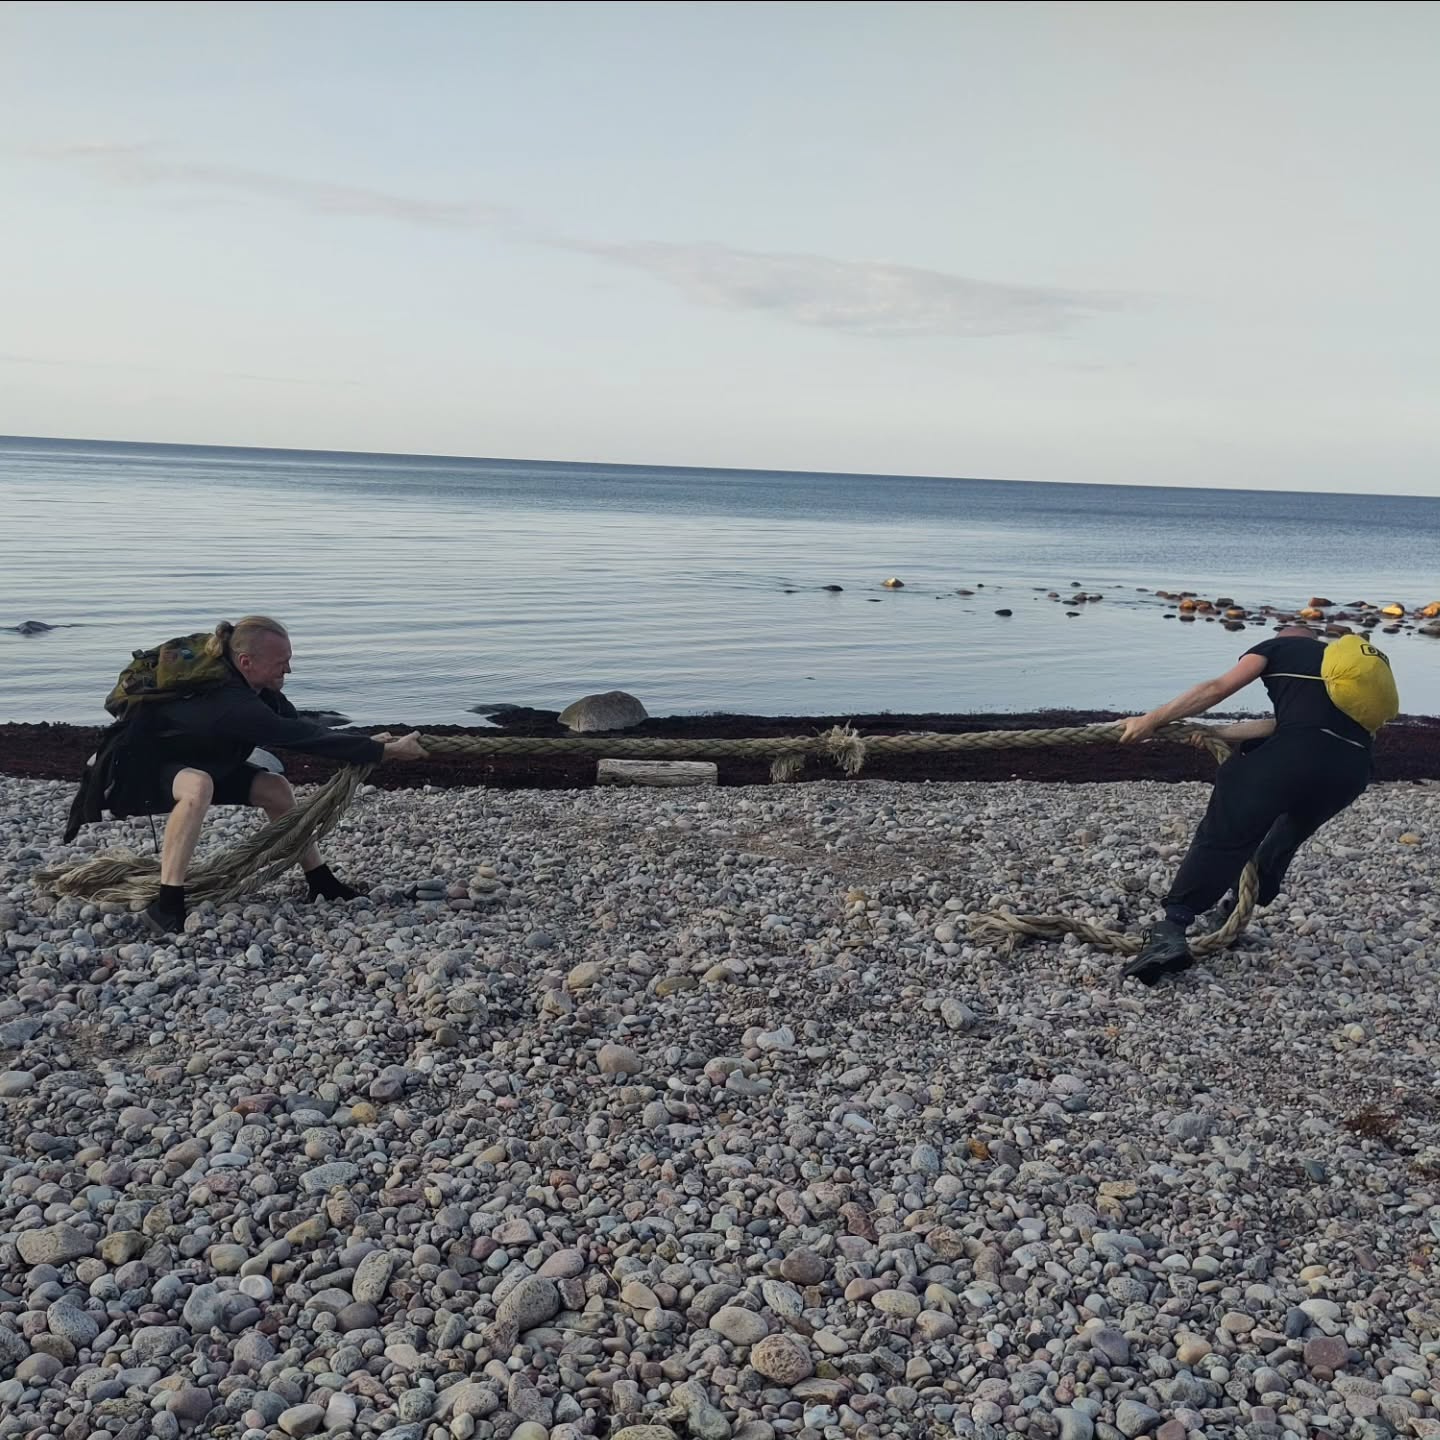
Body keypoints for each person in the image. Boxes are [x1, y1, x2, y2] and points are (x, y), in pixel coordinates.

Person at [108, 616, 427, 934]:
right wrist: (385, 752)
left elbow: (300, 726)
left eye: (288, 660)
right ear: (246, 662)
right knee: (198, 787)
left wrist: (367, 743)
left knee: (275, 788)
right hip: (141, 767)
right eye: (281, 662)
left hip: (202, 761)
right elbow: (295, 737)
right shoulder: (232, 703)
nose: (288, 670)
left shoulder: (258, 688)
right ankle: (167, 904)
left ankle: (320, 880)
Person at [1117, 624, 1376, 984]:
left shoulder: (1277, 648)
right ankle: (1235, 908)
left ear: (1283, 637)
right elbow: (1288, 723)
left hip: (1295, 757)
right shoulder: (1342, 669)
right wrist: (1218, 733)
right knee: (1288, 833)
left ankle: (1172, 928)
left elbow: (1216, 688)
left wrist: (1151, 720)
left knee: (1225, 833)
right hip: (1353, 769)